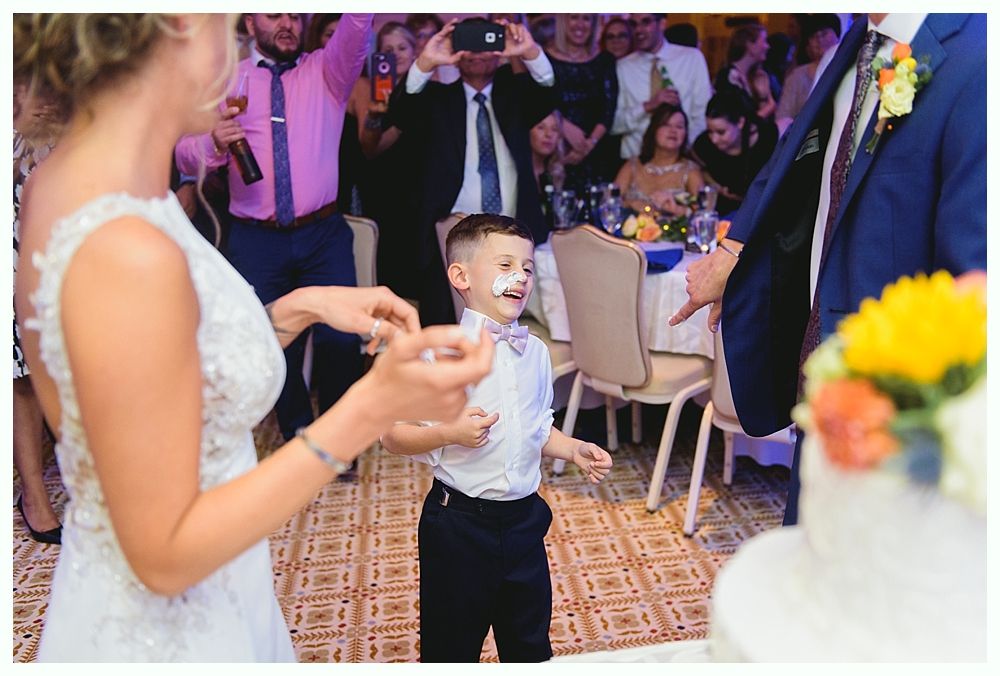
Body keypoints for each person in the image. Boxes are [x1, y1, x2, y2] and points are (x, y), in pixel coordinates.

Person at [12, 12, 494, 661]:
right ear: (179, 27)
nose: (232, 49)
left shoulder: (69, 183)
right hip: (171, 633)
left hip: (191, 592)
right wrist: (368, 408)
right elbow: (164, 552)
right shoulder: (127, 248)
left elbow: (156, 375)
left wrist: (300, 308)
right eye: (230, 27)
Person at [669, 13, 986, 527]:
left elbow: (974, 274)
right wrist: (734, 254)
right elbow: (797, 169)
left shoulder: (976, 56)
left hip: (893, 398)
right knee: (811, 548)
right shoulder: (857, 44)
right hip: (817, 360)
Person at [381, 213, 613, 662]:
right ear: (461, 276)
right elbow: (392, 435)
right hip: (458, 526)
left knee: (528, 646)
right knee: (451, 649)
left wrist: (573, 448)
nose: (520, 277)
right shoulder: (437, 353)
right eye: (505, 265)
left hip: (525, 522)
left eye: (527, 267)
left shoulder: (537, 353)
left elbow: (537, 427)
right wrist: (451, 432)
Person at [176, 13, 371, 443]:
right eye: (274, 13)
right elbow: (183, 153)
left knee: (340, 340)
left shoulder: (328, 71)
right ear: (250, 22)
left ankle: (339, 438)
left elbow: (357, 27)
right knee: (270, 344)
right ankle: (299, 432)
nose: (287, 22)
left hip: (322, 235)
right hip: (254, 238)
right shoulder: (225, 80)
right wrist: (213, 143)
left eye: (294, 14)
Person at [385, 18, 556, 327]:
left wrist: (529, 51)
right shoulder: (437, 100)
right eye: (469, 44)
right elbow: (400, 111)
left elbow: (549, 91)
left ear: (499, 50)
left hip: (514, 235)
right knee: (448, 334)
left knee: (516, 329)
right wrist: (427, 59)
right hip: (452, 240)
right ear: (457, 52)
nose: (478, 52)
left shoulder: (514, 96)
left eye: (486, 42)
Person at [13, 85, 62, 546]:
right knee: (21, 379)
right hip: (10, 256)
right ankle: (33, 496)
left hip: (58, 250)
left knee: (68, 369)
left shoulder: (59, 123)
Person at [353, 21, 423, 300]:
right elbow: (370, 148)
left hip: (421, 193)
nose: (396, 55)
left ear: (416, 51)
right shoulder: (374, 91)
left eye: (402, 47)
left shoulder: (434, 88)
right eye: (388, 50)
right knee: (389, 271)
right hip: (384, 193)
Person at [611, 13, 711, 159]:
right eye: (633, 24)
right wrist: (647, 106)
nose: (639, 30)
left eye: (646, 22)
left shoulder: (691, 59)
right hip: (635, 161)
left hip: (682, 159)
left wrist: (681, 150)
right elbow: (614, 124)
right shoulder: (623, 67)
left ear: (662, 24)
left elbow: (702, 115)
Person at [545, 13, 620, 192]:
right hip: (557, 149)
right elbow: (541, 102)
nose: (580, 24)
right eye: (574, 17)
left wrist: (588, 145)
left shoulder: (605, 60)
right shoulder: (545, 58)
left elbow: (609, 108)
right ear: (563, 21)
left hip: (597, 153)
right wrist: (564, 127)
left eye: (586, 18)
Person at [691, 90, 778, 216]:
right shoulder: (704, 145)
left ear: (740, 123)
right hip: (721, 216)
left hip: (762, 212)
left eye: (721, 132)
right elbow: (695, 167)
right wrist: (715, 186)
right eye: (710, 131)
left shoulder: (767, 139)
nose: (714, 139)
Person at [614, 103, 704, 217]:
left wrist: (676, 209)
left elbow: (702, 214)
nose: (673, 131)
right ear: (654, 129)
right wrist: (632, 203)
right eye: (666, 125)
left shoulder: (691, 171)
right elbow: (610, 202)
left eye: (679, 126)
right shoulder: (632, 166)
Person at [776, 14, 843, 134]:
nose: (819, 40)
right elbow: (783, 117)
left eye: (824, 34)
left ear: (837, 34)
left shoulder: (847, 70)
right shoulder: (797, 77)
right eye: (813, 36)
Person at [406, 13, 460, 84]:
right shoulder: (407, 70)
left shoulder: (451, 70)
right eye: (421, 36)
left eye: (433, 34)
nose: (429, 40)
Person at [530, 112, 566, 192]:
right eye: (541, 128)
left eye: (554, 129)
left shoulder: (559, 174)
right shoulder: (515, 174)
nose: (549, 134)